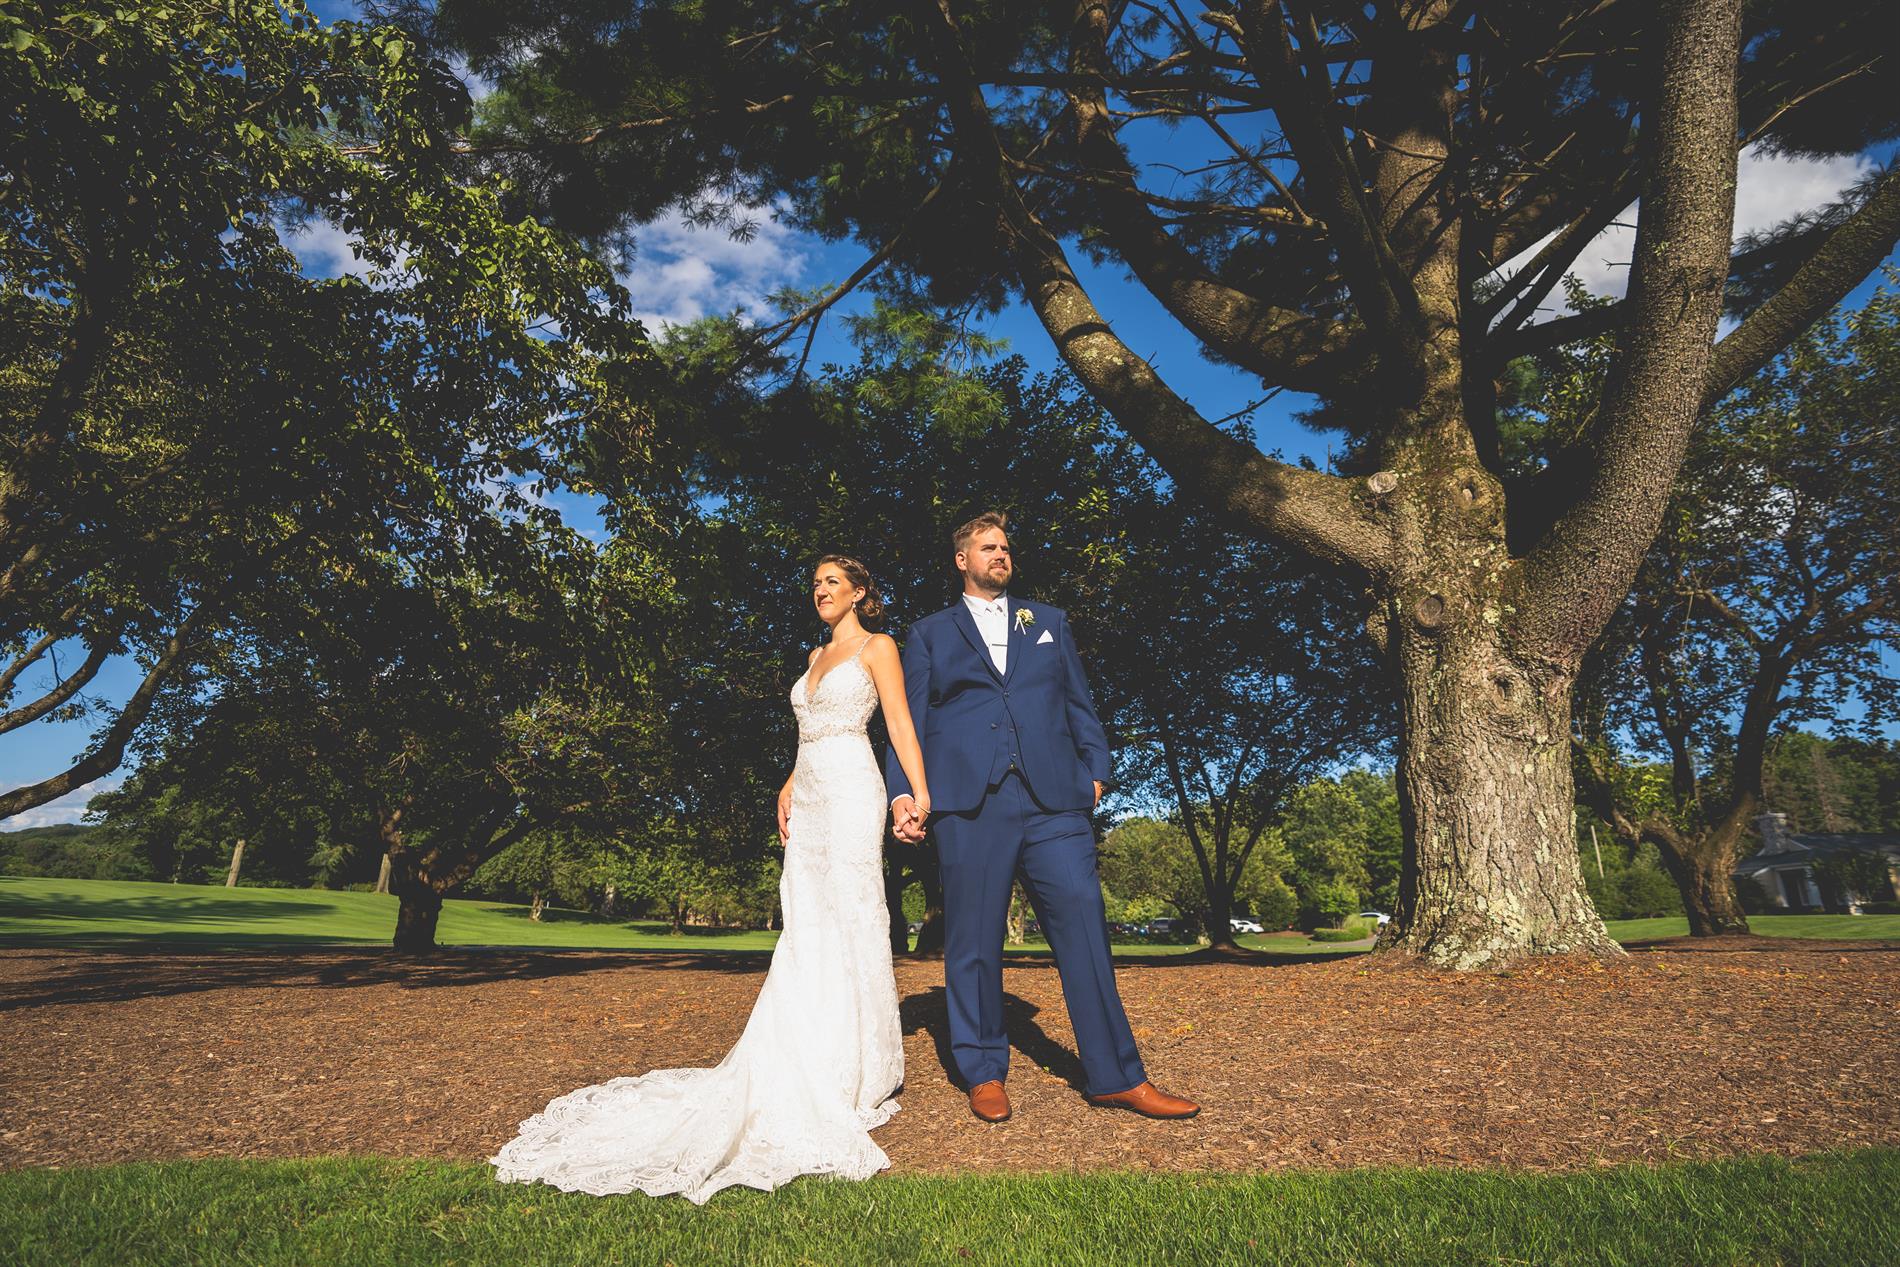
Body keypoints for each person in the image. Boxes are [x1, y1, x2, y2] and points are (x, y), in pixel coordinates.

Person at [490, 555, 927, 1203]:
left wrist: (918, 792)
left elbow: (897, 723)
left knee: (853, 915)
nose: (821, 591)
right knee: (806, 925)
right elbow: (810, 730)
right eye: (815, 583)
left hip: (851, 790)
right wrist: (788, 783)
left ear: (860, 591)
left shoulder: (878, 647)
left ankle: (856, 1067)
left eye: (832, 582)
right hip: (809, 794)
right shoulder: (813, 656)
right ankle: (804, 1048)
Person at [886, 512, 1198, 1123]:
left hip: (1055, 800)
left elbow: (1079, 700)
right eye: (987, 547)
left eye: (1005, 546)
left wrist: (1096, 771)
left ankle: (1118, 1077)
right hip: (970, 804)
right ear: (962, 560)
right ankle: (983, 1071)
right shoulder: (928, 634)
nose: (1000, 554)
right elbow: (907, 723)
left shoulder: (1049, 622)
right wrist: (903, 795)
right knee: (973, 940)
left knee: (1084, 927)